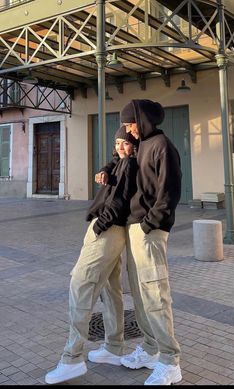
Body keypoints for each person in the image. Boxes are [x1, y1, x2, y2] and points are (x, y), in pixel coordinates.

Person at [94, 99, 182, 386]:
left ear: (142, 120)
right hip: (134, 228)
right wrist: (109, 168)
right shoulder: (140, 145)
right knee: (141, 294)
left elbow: (169, 190)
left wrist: (148, 224)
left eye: (130, 123)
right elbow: (119, 160)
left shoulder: (161, 145)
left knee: (155, 293)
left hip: (149, 230)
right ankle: (150, 347)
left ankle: (170, 361)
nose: (127, 129)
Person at [45, 126, 138, 384]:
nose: (121, 147)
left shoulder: (129, 165)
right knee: (111, 289)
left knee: (80, 285)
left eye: (126, 142)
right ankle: (114, 346)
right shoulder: (120, 163)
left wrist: (99, 225)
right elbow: (115, 166)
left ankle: (72, 358)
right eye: (118, 142)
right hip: (113, 231)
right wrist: (106, 169)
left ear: (135, 144)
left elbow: (120, 200)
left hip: (107, 230)